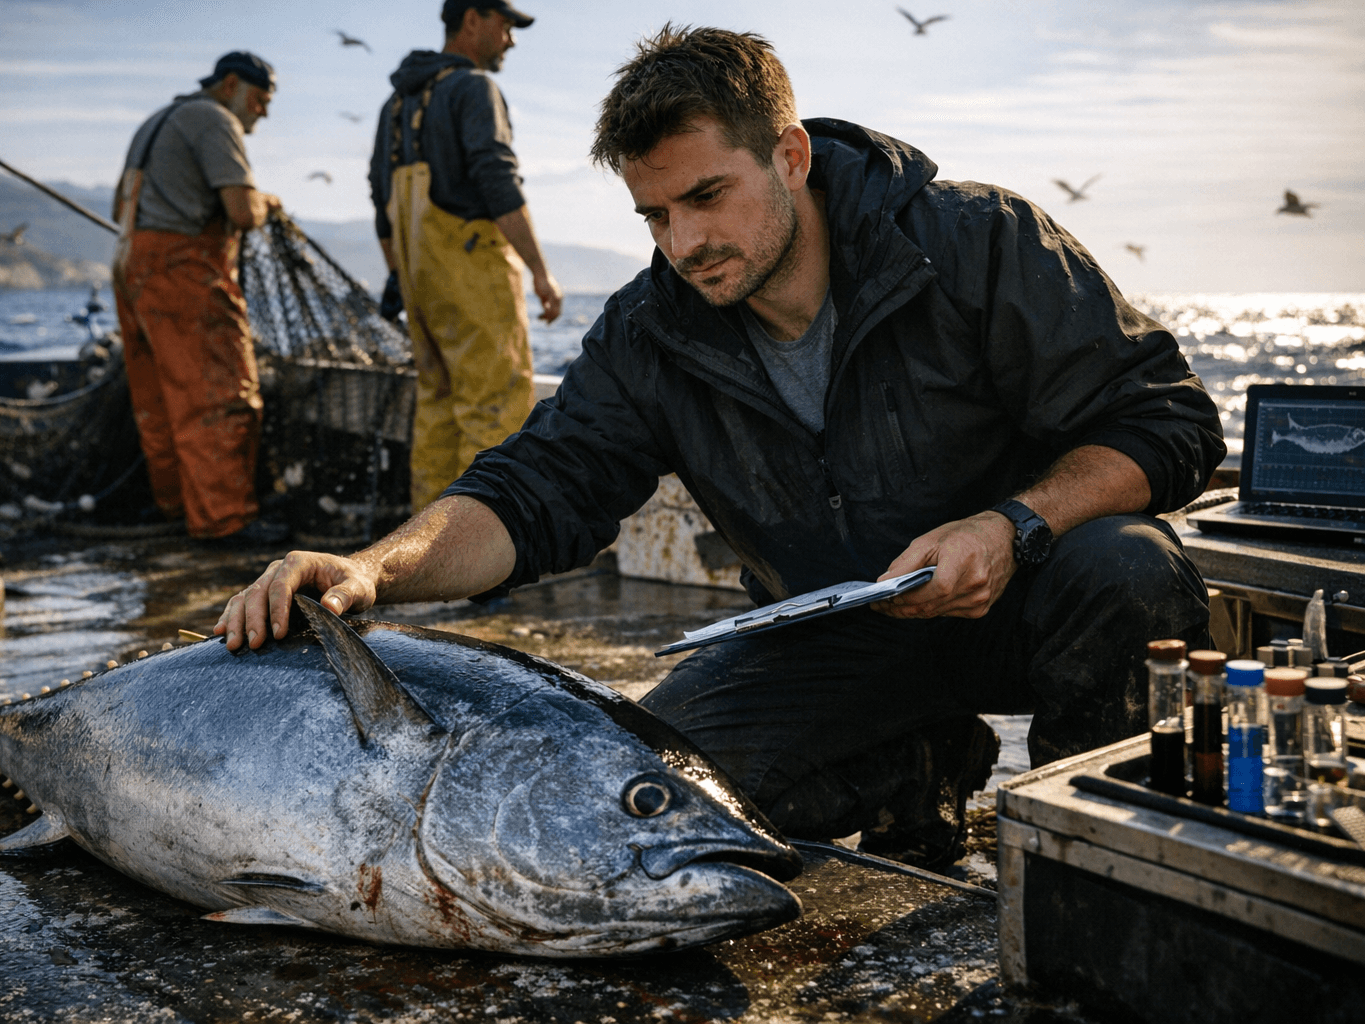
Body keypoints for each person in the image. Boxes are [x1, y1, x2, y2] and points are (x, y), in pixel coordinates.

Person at [220, 27, 1224, 868]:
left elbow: (1169, 422)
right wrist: (368, 570)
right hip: (830, 640)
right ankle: (912, 762)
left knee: (1128, 568)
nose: (682, 242)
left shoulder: (976, 241)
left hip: (1024, 595)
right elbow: (533, 490)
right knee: (640, 813)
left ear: (790, 155)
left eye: (706, 197)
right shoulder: (651, 330)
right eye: (653, 214)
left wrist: (1013, 525)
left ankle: (1091, 871)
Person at [369, 0, 564, 511]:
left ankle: (426, 553)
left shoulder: (396, 106)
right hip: (472, 274)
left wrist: (399, 273)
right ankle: (482, 566)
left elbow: (380, 202)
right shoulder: (473, 88)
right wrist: (540, 272)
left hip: (419, 282)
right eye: (506, 26)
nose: (511, 40)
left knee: (435, 406)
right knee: (494, 404)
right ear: (473, 19)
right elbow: (496, 178)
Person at [112, 51, 287, 544]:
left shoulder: (155, 121)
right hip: (182, 268)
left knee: (160, 399)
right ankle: (224, 521)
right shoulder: (214, 118)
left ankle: (176, 508)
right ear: (230, 84)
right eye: (259, 99)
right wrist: (266, 202)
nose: (263, 113)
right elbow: (242, 210)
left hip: (130, 264)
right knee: (219, 394)